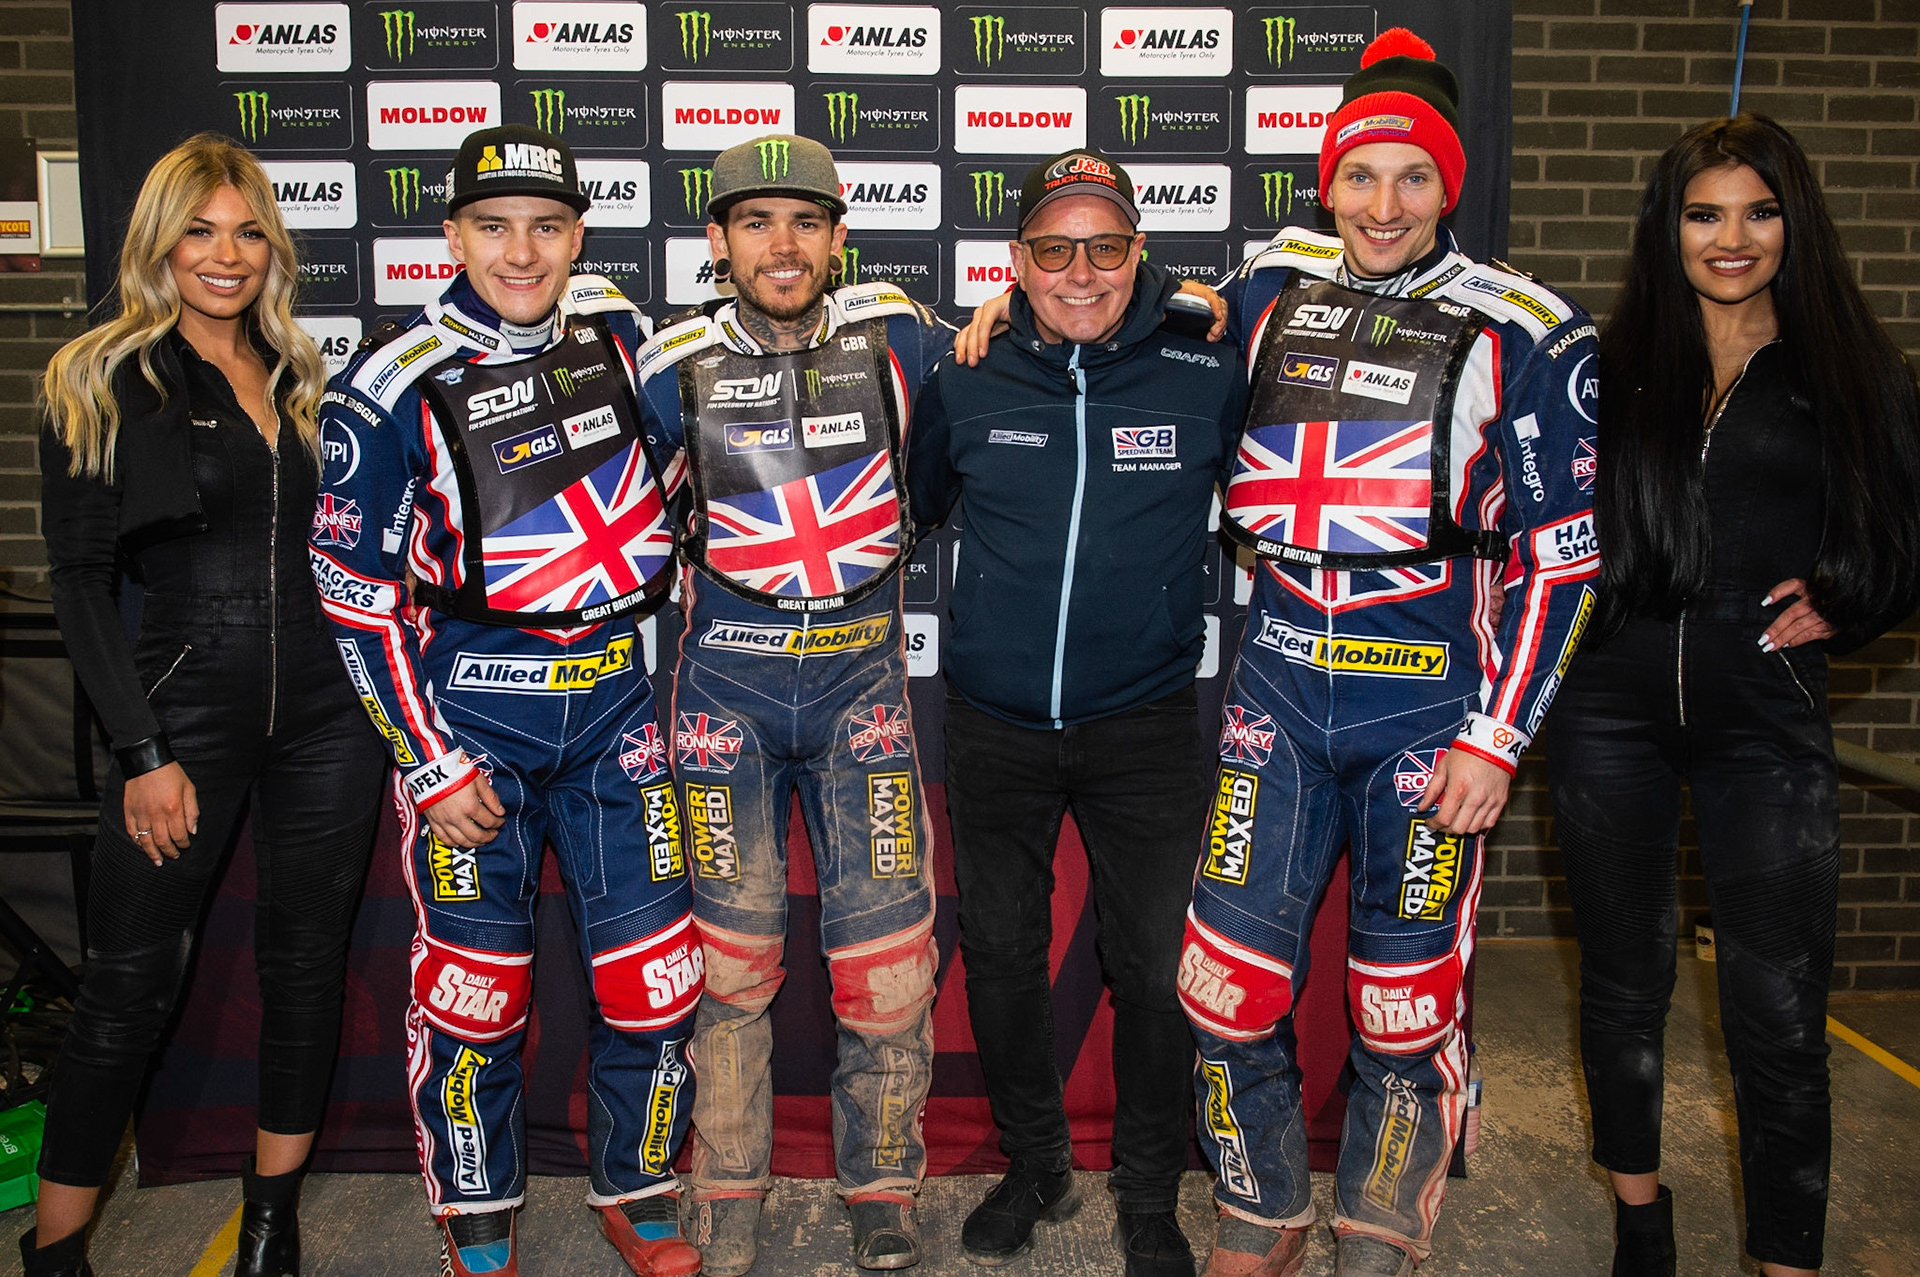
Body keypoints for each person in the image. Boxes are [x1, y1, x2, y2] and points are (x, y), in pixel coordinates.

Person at [1174, 30, 1598, 1277]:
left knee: (1403, 1003)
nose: (1384, 205)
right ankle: (1260, 1206)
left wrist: (1497, 737)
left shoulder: (1529, 328)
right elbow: (1121, 305)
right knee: (1225, 983)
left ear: (1449, 186)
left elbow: (1565, 558)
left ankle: (1380, 1216)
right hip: (1279, 689)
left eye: (1413, 179)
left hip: (1430, 711)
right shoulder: (1267, 286)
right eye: (1362, 176)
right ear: (1328, 182)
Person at [311, 124, 701, 1277]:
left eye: (546, 226)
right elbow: (352, 590)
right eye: (493, 227)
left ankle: (639, 1184)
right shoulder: (391, 381)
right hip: (474, 714)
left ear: (579, 233)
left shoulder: (627, 343)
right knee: (476, 992)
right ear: (452, 236)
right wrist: (427, 759)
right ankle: (476, 1213)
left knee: (653, 970)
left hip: (618, 710)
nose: (521, 251)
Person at [1546, 115, 1920, 1277]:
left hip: (1766, 720)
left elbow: (1906, 527)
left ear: (1793, 221)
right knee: (1621, 981)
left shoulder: (1850, 369)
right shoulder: (1608, 368)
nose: (1732, 237)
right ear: (1670, 227)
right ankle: (1641, 1222)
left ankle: (1787, 1262)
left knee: (1777, 1008)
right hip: (1608, 710)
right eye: (1705, 212)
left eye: (1759, 211)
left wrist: (1856, 597)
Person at [28, 133, 386, 1277]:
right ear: (158, 242)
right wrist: (141, 750)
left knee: (305, 962)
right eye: (199, 230)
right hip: (183, 713)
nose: (224, 255)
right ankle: (53, 1253)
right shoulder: (100, 375)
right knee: (127, 987)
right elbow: (80, 583)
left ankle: (270, 1226)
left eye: (245, 230)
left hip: (331, 714)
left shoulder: (295, 373)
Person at [905, 150, 1245, 1277]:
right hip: (997, 721)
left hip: (1142, 722)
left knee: (1151, 965)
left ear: (1139, 253)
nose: (1081, 271)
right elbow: (925, 501)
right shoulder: (966, 377)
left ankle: (1150, 1191)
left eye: (1106, 246)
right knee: (998, 954)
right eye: (1054, 248)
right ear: (1017, 264)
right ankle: (1038, 1161)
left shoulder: (1207, 369)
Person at [632, 133, 954, 1275]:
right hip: (726, 688)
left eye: (807, 221)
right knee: (727, 964)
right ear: (716, 240)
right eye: (757, 221)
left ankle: (881, 1181)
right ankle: (725, 1185)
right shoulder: (659, 360)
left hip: (864, 679)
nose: (784, 244)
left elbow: (1034, 339)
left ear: (838, 233)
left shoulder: (905, 337)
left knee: (888, 963)